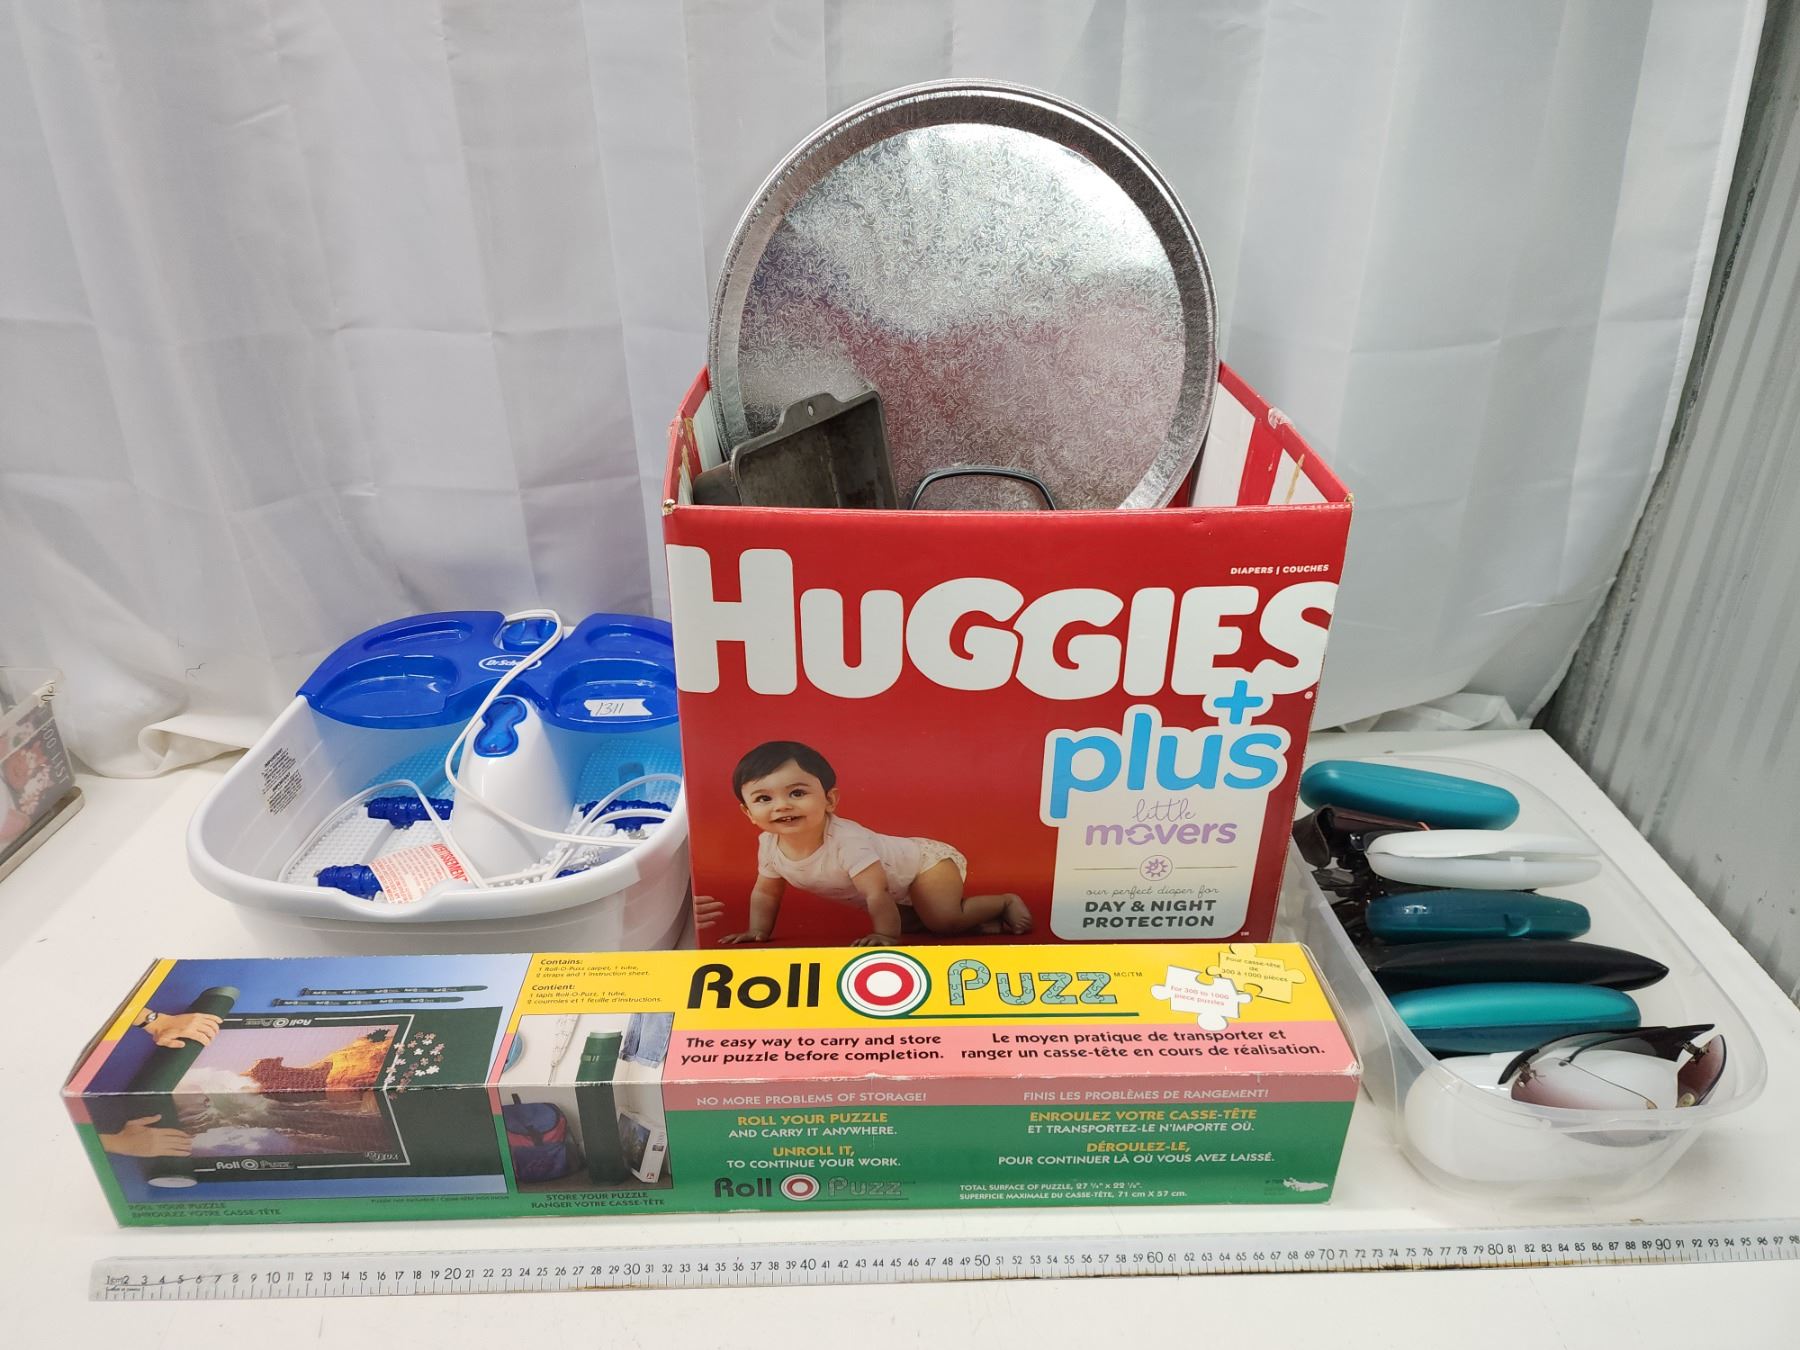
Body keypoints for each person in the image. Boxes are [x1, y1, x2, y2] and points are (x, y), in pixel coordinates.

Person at [705, 740, 1032, 947]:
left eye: (797, 793)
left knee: (942, 921)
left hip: (925, 864)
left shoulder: (847, 842)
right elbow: (766, 892)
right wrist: (757, 930)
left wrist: (885, 936)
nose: (782, 806)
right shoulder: (768, 844)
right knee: (915, 924)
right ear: (748, 812)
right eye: (764, 798)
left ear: (830, 800)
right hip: (899, 888)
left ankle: (1004, 902)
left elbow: (876, 892)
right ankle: (981, 923)